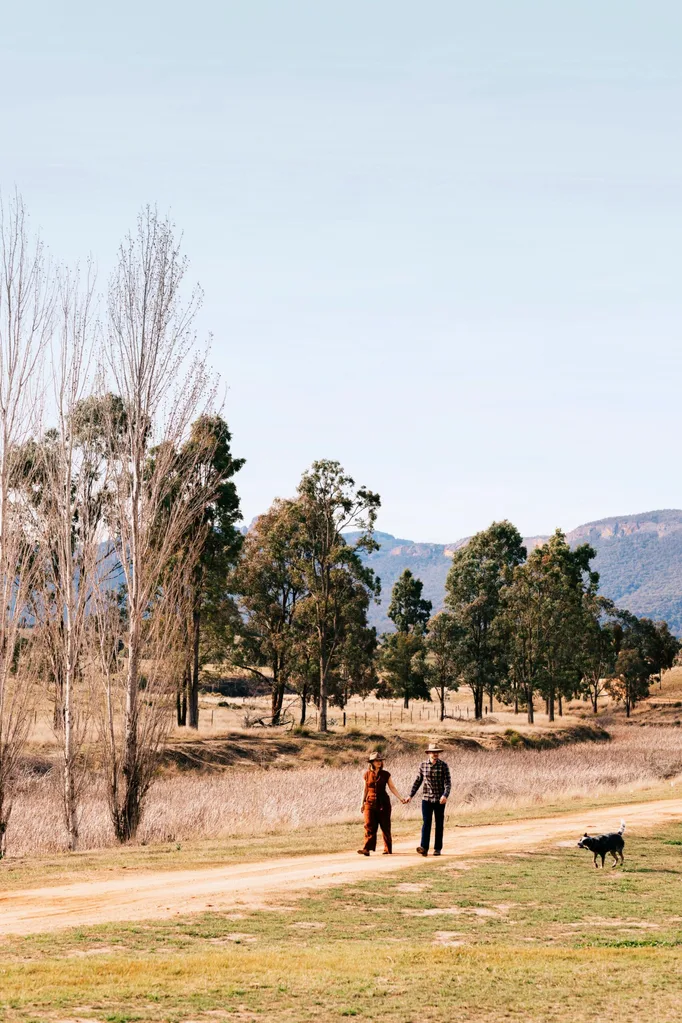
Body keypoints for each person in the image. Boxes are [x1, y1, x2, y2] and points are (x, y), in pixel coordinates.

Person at [405, 742, 451, 856]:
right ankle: (424, 847)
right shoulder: (423, 765)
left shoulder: (443, 765)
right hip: (426, 798)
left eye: (437, 753)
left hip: (439, 799)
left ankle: (437, 848)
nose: (435, 754)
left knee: (439, 823)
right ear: (429, 753)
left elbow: (448, 783)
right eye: (433, 752)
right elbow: (418, 781)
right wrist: (411, 795)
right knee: (426, 823)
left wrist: (445, 795)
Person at [358, 752, 406, 856]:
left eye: (380, 760)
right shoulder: (366, 774)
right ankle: (367, 849)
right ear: (372, 762)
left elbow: (392, 787)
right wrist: (362, 803)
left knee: (385, 826)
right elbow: (365, 789)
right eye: (376, 761)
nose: (379, 762)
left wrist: (400, 798)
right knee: (369, 825)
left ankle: (387, 849)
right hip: (369, 802)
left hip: (383, 802)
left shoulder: (385, 774)